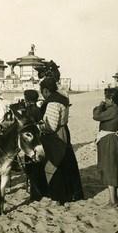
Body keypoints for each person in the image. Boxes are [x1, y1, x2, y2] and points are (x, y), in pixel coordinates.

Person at [39, 76, 83, 205]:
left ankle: (57, 198)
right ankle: (69, 194)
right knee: (65, 164)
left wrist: (39, 126)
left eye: (42, 91)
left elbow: (51, 126)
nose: (42, 94)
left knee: (53, 165)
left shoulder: (52, 103)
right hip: (64, 131)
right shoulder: (63, 99)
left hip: (55, 136)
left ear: (46, 90)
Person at [93, 87, 118, 207]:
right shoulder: (116, 109)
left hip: (109, 141)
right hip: (111, 139)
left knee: (109, 170)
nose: (105, 100)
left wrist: (101, 105)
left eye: (106, 98)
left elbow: (96, 116)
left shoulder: (113, 110)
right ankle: (113, 198)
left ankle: (113, 201)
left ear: (111, 99)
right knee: (111, 168)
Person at [22, 89, 48, 201]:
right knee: (40, 168)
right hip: (41, 140)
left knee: (31, 168)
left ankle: (35, 194)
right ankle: (44, 191)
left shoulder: (27, 111)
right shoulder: (39, 109)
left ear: (26, 99)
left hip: (31, 142)